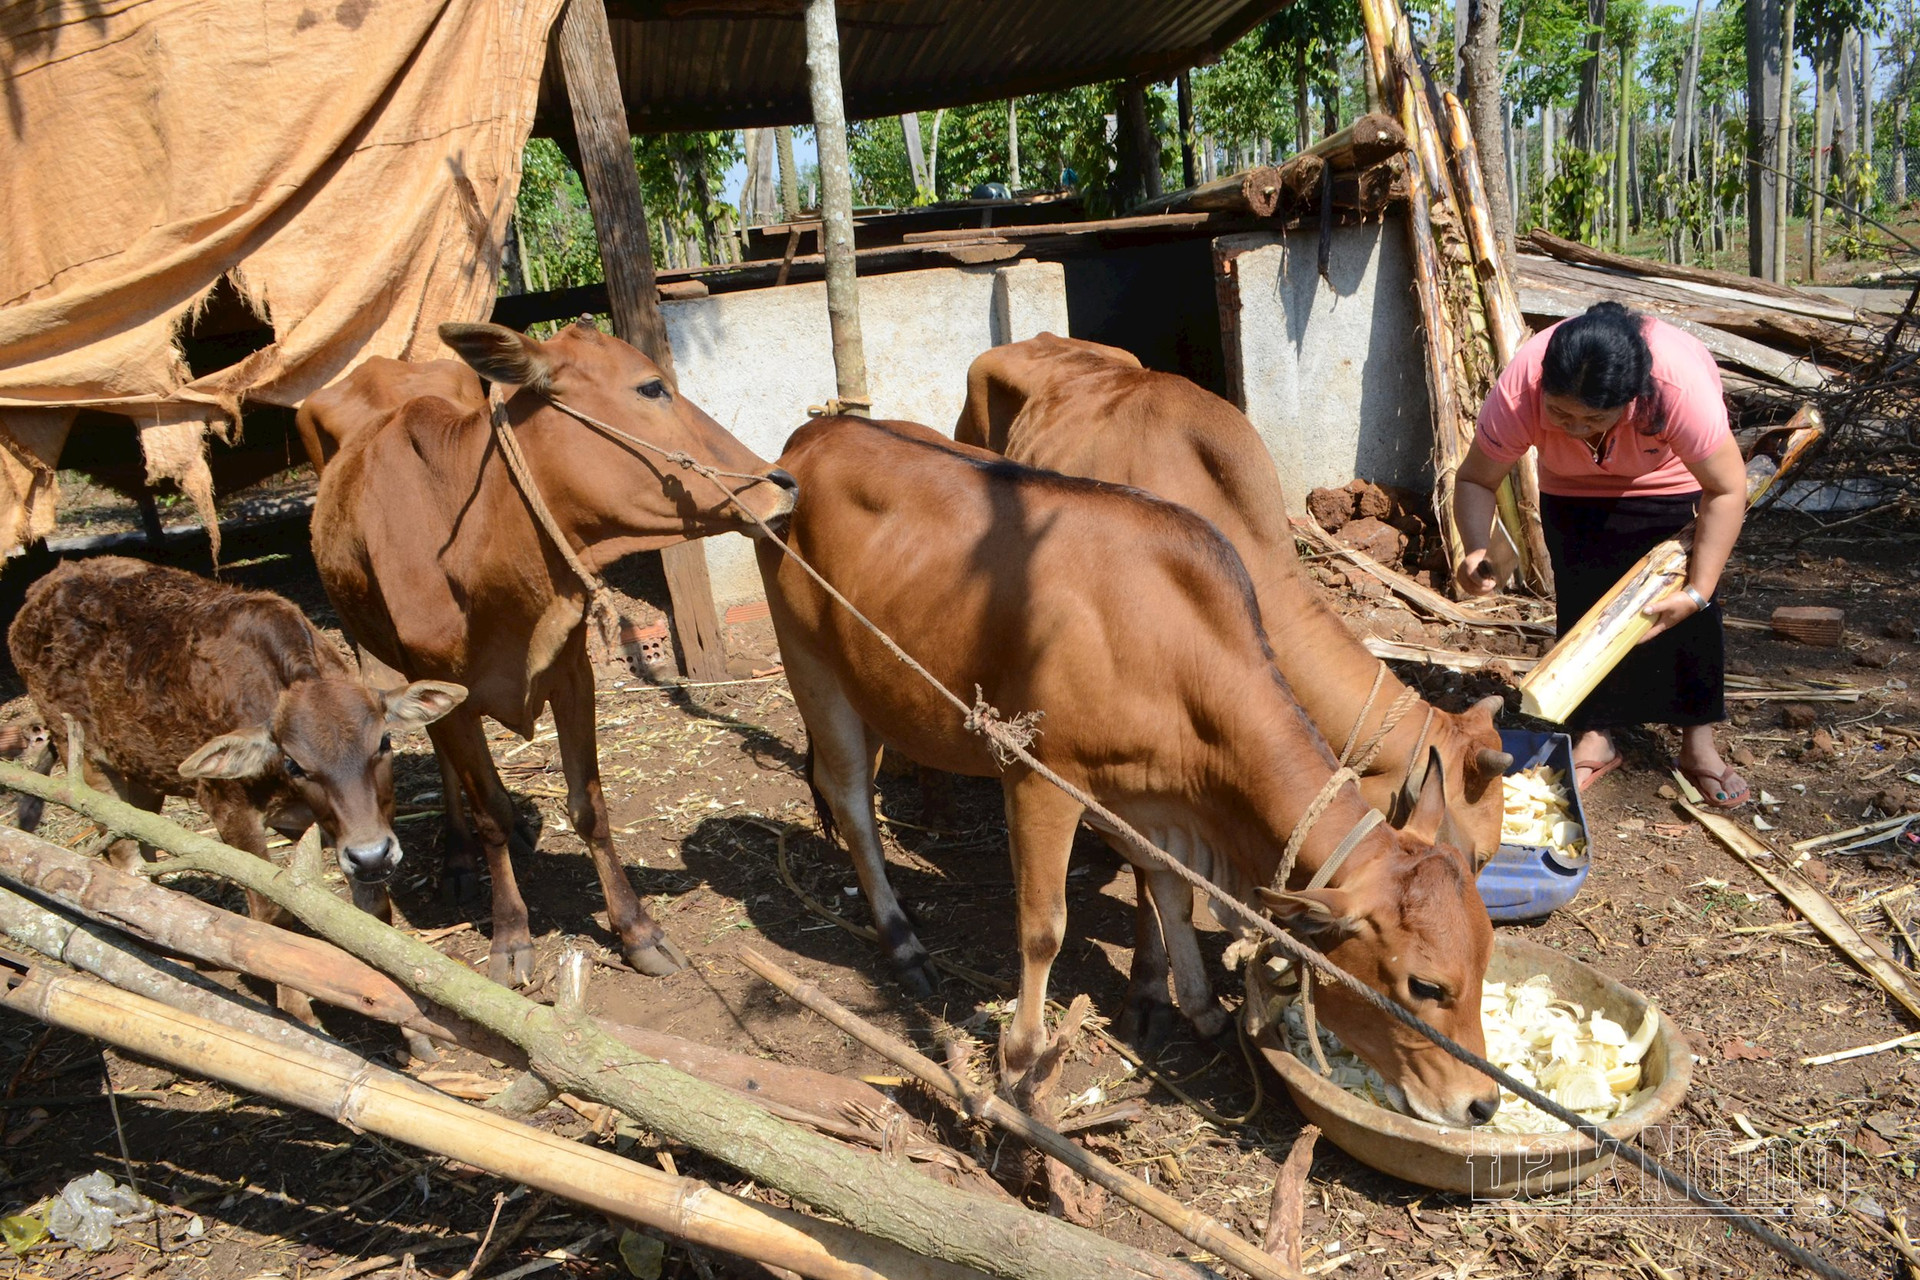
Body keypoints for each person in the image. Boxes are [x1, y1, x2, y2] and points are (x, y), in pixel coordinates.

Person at [1454, 301, 1750, 809]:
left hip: (1670, 479)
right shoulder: (1522, 383)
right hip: (1570, 487)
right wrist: (1477, 547)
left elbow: (1726, 489)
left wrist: (1699, 592)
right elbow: (1476, 478)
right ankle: (1596, 729)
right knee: (1584, 598)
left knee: (1686, 611)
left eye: (1594, 416)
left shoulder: (1676, 387)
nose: (1574, 427)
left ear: (1633, 399)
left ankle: (1697, 739)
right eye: (1561, 412)